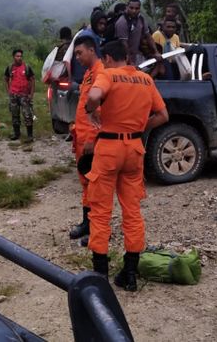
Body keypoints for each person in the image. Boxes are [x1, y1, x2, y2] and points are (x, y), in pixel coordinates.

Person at [84, 40, 169, 291]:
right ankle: (129, 273)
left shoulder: (108, 75)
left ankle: (100, 275)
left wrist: (92, 111)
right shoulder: (145, 79)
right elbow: (164, 116)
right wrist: (142, 127)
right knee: (131, 210)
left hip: (109, 148)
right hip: (134, 149)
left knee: (100, 210)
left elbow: (94, 95)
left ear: (108, 58)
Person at [68, 35, 104, 245]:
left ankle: (97, 228)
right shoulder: (89, 74)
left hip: (92, 140)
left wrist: (91, 137)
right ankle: (86, 222)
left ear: (91, 50)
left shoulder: (100, 73)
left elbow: (98, 111)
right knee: (85, 182)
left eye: (80, 53)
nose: (78, 57)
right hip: (80, 137)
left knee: (95, 183)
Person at [114, 0, 161, 66]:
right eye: (131, 8)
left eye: (137, 8)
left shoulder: (141, 19)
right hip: (124, 58)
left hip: (137, 55)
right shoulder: (122, 22)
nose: (134, 11)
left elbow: (148, 36)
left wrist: (156, 52)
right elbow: (124, 44)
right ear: (127, 7)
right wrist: (130, 62)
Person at [4, 49, 35, 142]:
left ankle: (30, 135)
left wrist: (31, 94)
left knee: (27, 115)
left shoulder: (26, 67)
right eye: (17, 56)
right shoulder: (10, 67)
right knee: (14, 115)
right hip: (14, 95)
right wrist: (9, 91)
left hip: (24, 95)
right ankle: (16, 134)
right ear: (14, 57)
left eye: (21, 56)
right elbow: (5, 79)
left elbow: (33, 80)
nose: (19, 58)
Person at [72, 10, 108, 83]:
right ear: (94, 22)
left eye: (104, 24)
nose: (103, 26)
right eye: (100, 23)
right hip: (83, 75)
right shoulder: (88, 36)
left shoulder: (93, 35)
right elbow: (96, 57)